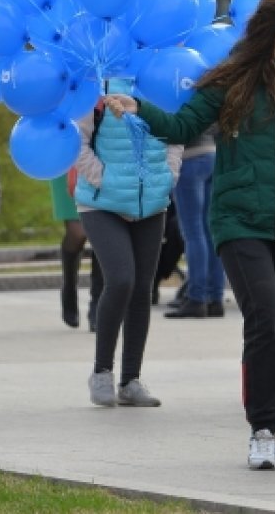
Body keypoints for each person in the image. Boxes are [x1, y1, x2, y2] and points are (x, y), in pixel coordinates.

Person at [107, 0, 275, 469]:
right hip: (240, 218)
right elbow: (182, 126)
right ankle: (258, 431)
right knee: (267, 318)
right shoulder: (232, 78)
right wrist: (138, 109)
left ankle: (273, 430)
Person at [75, 79, 182, 410]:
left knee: (142, 290)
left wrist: (167, 176)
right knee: (121, 278)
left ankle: (130, 380)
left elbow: (176, 133)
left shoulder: (165, 77)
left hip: (151, 202)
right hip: (101, 201)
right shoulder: (99, 83)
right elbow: (75, 140)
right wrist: (104, 178)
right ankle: (102, 372)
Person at [163, 128, 226, 319]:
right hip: (211, 154)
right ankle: (215, 298)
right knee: (209, 231)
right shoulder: (204, 95)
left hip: (188, 157)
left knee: (192, 232)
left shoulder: (176, 96)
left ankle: (197, 298)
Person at [51, 173, 103, 330]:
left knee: (102, 232)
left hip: (104, 158)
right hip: (67, 162)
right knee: (77, 232)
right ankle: (69, 285)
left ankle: (98, 305)